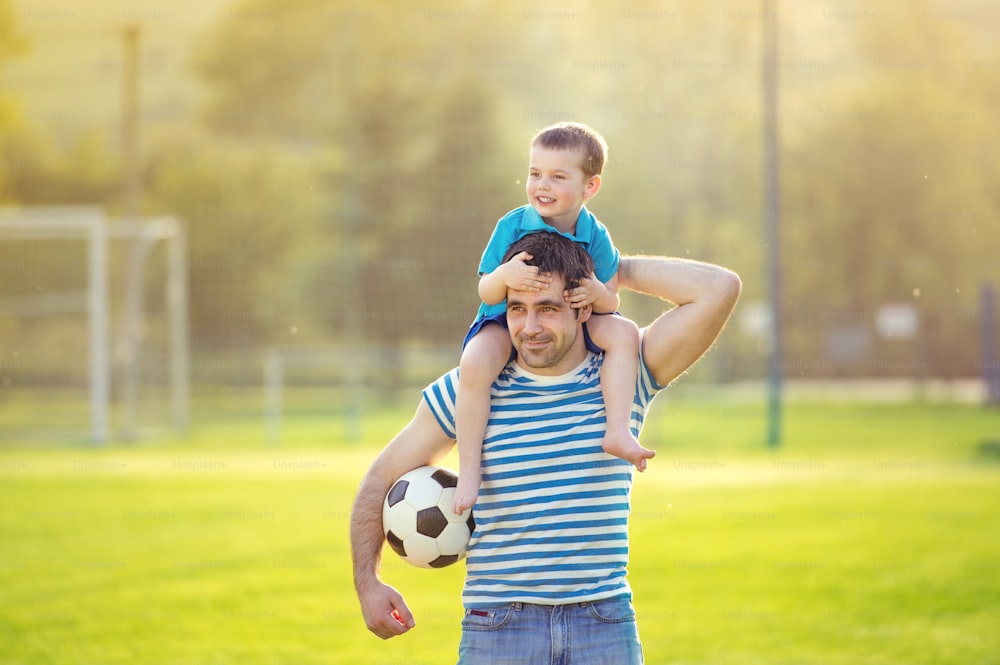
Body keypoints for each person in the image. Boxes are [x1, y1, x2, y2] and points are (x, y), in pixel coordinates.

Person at [350, 231, 741, 663]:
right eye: (518, 309)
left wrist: (611, 270)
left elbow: (718, 289)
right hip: (498, 626)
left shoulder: (624, 372)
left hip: (603, 624)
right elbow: (382, 477)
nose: (529, 327)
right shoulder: (471, 388)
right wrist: (368, 582)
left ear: (582, 308)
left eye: (549, 309)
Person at [453, 121, 652, 515]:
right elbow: (486, 290)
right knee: (475, 363)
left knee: (625, 333)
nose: (541, 185)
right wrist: (505, 276)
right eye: (535, 173)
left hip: (571, 320)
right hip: (503, 319)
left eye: (557, 177)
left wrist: (599, 294)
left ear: (589, 187)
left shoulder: (596, 234)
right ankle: (470, 469)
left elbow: (610, 299)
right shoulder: (511, 226)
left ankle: (617, 430)